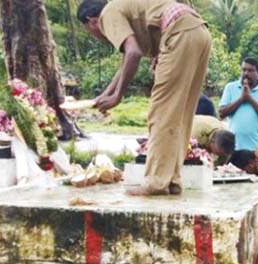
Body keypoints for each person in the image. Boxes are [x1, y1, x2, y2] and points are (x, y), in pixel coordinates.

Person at [77, 0, 212, 196]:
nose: (96, 37)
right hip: (198, 31)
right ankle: (172, 180)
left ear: (92, 22)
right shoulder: (122, 8)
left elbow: (134, 53)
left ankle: (155, 183)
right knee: (181, 115)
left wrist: (118, 96)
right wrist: (107, 94)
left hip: (178, 32)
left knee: (161, 113)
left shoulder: (108, 14)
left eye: (90, 33)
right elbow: (126, 61)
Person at [219, 58, 258, 150]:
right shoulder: (230, 87)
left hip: (257, 147)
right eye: (244, 70)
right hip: (234, 147)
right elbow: (222, 113)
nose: (246, 73)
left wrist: (250, 99)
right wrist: (241, 99)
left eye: (250, 70)